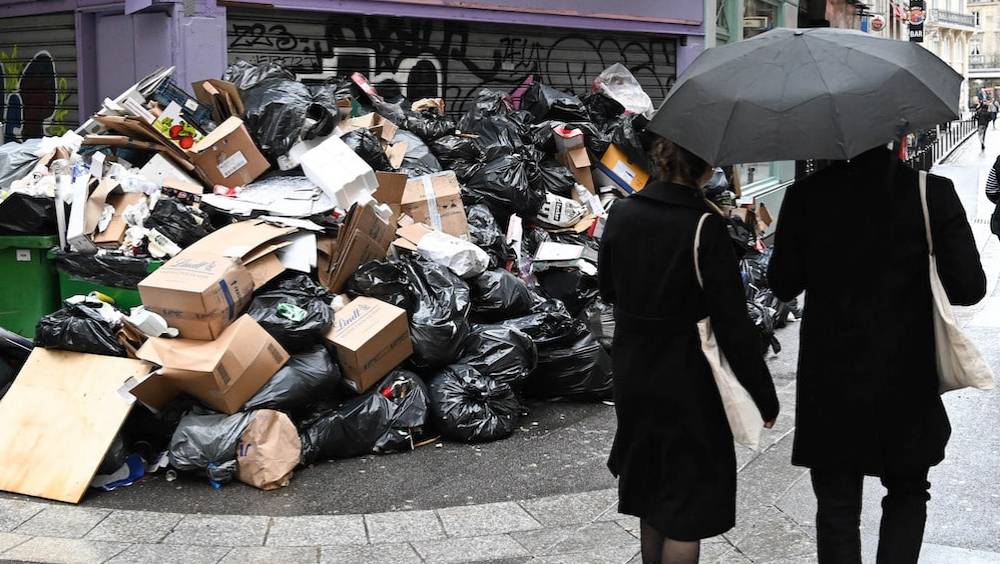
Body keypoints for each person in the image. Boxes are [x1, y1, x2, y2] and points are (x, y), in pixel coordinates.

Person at [767, 145, 986, 564]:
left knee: (836, 504)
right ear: (897, 136)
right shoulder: (930, 192)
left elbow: (782, 285)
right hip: (906, 376)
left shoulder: (807, 196)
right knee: (906, 491)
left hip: (829, 379)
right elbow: (969, 288)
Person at [598, 138, 779, 564]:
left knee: (650, 492)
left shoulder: (621, 212)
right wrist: (763, 395)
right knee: (686, 504)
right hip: (688, 379)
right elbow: (734, 324)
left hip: (634, 372)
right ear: (704, 170)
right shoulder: (704, 226)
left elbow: (607, 286)